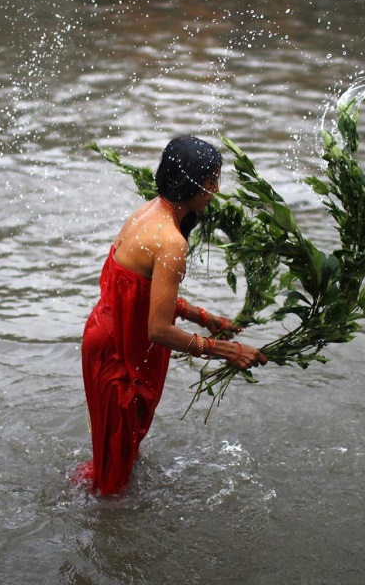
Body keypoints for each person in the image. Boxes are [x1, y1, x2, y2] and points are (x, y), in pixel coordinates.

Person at [76, 135, 268, 495]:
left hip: (105, 335)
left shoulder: (147, 212)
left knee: (117, 452)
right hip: (119, 354)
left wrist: (203, 316)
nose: (215, 190)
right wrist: (229, 351)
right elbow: (158, 330)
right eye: (214, 181)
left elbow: (135, 293)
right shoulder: (172, 243)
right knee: (112, 484)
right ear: (199, 186)